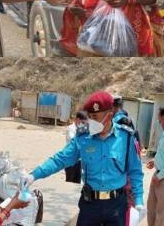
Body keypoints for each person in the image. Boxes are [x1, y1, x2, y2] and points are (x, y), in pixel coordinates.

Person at [24, 90, 146, 225]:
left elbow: (135, 171)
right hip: (90, 204)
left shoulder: (126, 137)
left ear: (109, 115)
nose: (91, 121)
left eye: (95, 116)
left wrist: (139, 198)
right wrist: (34, 175)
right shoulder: (83, 137)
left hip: (116, 205)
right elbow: (60, 159)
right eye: (90, 116)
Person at [65, 110, 88, 184]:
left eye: (85, 123)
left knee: (77, 181)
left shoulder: (82, 129)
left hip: (79, 160)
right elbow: (74, 141)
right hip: (70, 159)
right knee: (70, 181)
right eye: (83, 122)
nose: (84, 124)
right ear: (77, 119)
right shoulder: (70, 128)